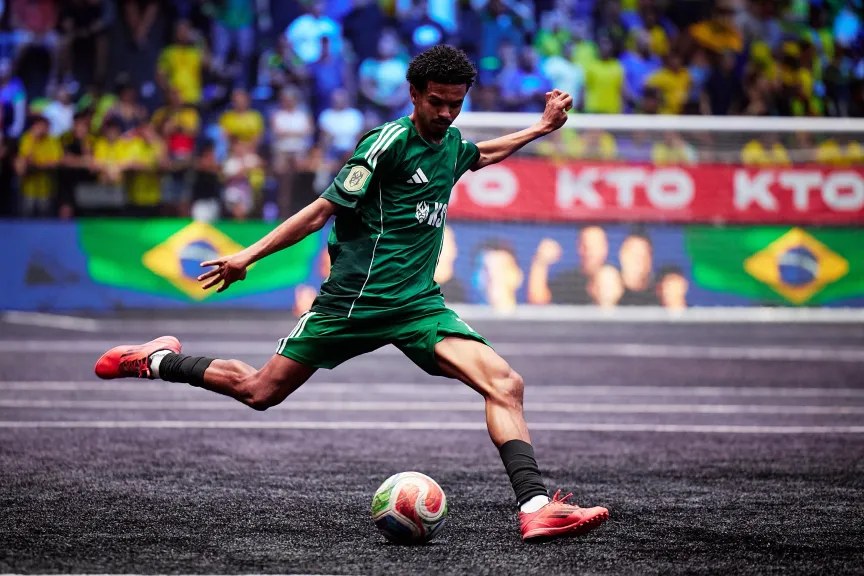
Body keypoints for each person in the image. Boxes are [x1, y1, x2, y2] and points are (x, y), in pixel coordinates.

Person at [94, 45, 608, 542]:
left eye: (456, 103)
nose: (446, 113)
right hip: (354, 302)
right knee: (259, 391)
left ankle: (536, 508)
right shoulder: (386, 144)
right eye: (437, 102)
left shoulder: (450, 144)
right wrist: (247, 255)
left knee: (505, 383)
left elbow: (482, 153)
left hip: (417, 306)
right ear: (414, 94)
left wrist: (541, 127)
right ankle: (155, 360)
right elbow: (320, 211)